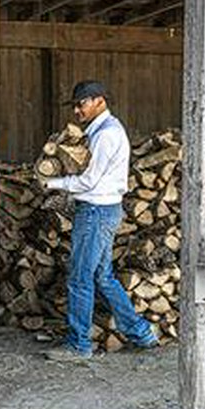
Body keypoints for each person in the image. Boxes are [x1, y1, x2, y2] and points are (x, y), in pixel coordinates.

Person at [40, 80, 159, 361]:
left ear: (100, 101)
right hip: (103, 210)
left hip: (95, 211)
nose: (77, 110)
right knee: (103, 277)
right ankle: (141, 333)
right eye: (75, 105)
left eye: (81, 104)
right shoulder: (101, 131)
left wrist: (52, 183)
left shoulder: (105, 135)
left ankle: (79, 345)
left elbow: (89, 180)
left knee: (80, 278)